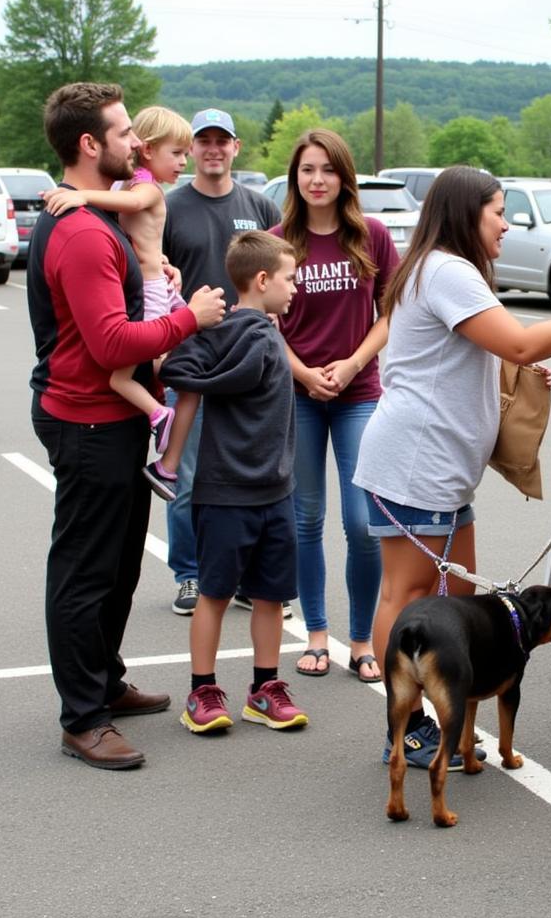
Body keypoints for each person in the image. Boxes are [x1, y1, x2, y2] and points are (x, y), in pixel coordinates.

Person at [353, 166, 551, 770]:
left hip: (441, 470)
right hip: (416, 466)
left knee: (455, 600)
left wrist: (514, 367)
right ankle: (406, 727)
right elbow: (523, 342)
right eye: (498, 211)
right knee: (408, 599)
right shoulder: (447, 269)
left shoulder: (438, 268)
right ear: (465, 214)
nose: (506, 224)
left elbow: (484, 347)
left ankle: (446, 717)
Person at [28, 82, 225, 769]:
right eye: (123, 133)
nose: (136, 144)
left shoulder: (99, 220)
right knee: (85, 574)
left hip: (111, 419)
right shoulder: (81, 231)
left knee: (115, 570)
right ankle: (82, 719)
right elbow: (113, 345)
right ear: (90, 145)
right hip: (86, 423)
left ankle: (104, 686)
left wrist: (157, 273)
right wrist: (186, 318)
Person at [160, 231, 306, 733]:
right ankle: (202, 691)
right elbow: (183, 369)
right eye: (289, 278)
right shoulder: (247, 334)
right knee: (216, 593)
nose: (295, 288)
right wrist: (223, 359)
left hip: (275, 492)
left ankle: (265, 689)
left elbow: (183, 366)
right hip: (225, 494)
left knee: (271, 596)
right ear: (262, 280)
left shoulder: (256, 331)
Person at [270, 129, 394, 682]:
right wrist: (304, 373)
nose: (316, 180)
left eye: (327, 169)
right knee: (305, 518)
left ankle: (361, 639)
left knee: (364, 523)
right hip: (296, 395)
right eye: (306, 170)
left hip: (358, 393)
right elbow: (264, 321)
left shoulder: (372, 236)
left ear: (344, 176)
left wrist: (350, 365)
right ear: (295, 178)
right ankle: (316, 633)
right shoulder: (278, 241)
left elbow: (390, 312)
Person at [41, 105, 197, 501]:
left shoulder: (142, 190)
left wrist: (79, 197)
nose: (183, 162)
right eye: (176, 153)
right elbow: (127, 224)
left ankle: (169, 446)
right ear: (148, 150)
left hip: (153, 289)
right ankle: (164, 428)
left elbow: (130, 211)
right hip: (149, 292)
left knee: (167, 370)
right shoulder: (131, 188)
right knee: (142, 370)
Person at [162, 107, 282, 615]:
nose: (213, 148)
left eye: (222, 140)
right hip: (193, 358)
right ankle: (190, 574)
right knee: (188, 476)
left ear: (236, 148)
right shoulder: (169, 207)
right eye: (203, 140)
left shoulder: (258, 206)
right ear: (191, 149)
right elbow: (151, 276)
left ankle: (239, 578)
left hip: (250, 365)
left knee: (245, 475)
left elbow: (280, 275)